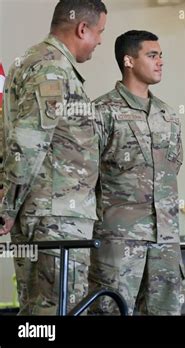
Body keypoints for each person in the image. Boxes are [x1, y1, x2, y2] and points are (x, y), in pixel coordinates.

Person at [0, 0, 107, 315]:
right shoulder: (52, 67)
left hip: (47, 212)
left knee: (39, 309)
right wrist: (7, 207)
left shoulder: (35, 61)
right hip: (55, 216)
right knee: (59, 309)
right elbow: (28, 140)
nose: (100, 40)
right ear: (82, 28)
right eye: (99, 32)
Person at [88, 30, 185, 315]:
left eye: (161, 56)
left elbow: (172, 169)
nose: (160, 62)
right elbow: (86, 174)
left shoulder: (168, 115)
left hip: (165, 240)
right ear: (128, 60)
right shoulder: (102, 111)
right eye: (152, 55)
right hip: (119, 241)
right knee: (111, 310)